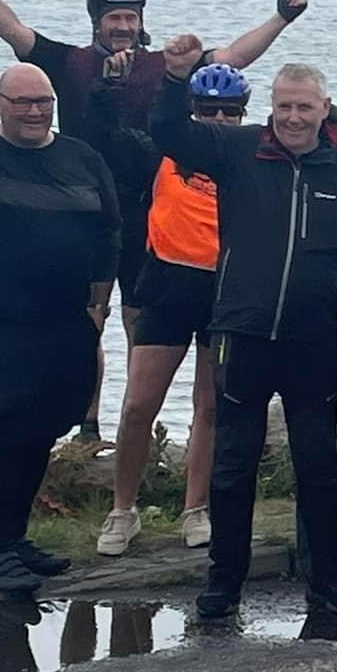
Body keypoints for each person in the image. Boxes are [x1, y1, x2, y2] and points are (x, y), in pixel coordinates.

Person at [0, 0, 303, 437]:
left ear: (140, 21)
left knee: (140, 319)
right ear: (96, 20)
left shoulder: (163, 67)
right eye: (114, 18)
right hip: (79, 207)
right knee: (89, 313)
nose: (123, 26)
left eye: (131, 18)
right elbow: (13, 30)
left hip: (145, 211)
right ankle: (87, 425)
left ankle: (138, 424)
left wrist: (281, 18)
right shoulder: (70, 64)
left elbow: (234, 57)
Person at [151, 38, 337, 622]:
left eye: (304, 107)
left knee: (317, 464)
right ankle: (223, 583)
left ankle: (326, 582)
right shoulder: (237, 149)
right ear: (271, 108)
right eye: (283, 106)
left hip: (312, 341)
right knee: (234, 464)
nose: (292, 118)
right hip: (242, 333)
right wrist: (176, 78)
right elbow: (168, 133)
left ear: (323, 109)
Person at [0, 23, 118, 594]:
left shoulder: (80, 157)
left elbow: (110, 230)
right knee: (6, 436)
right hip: (1, 322)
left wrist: (99, 301)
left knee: (41, 433)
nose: (35, 111)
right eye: (24, 101)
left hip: (67, 322)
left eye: (44, 101)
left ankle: (17, 538)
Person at [97, 63, 252, 557]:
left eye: (231, 110)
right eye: (209, 109)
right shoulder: (161, 153)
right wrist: (112, 85)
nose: (220, 118)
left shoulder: (249, 158)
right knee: (139, 404)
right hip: (166, 286)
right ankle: (123, 509)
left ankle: (196, 507)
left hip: (223, 292)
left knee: (208, 406)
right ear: (193, 110)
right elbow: (108, 135)